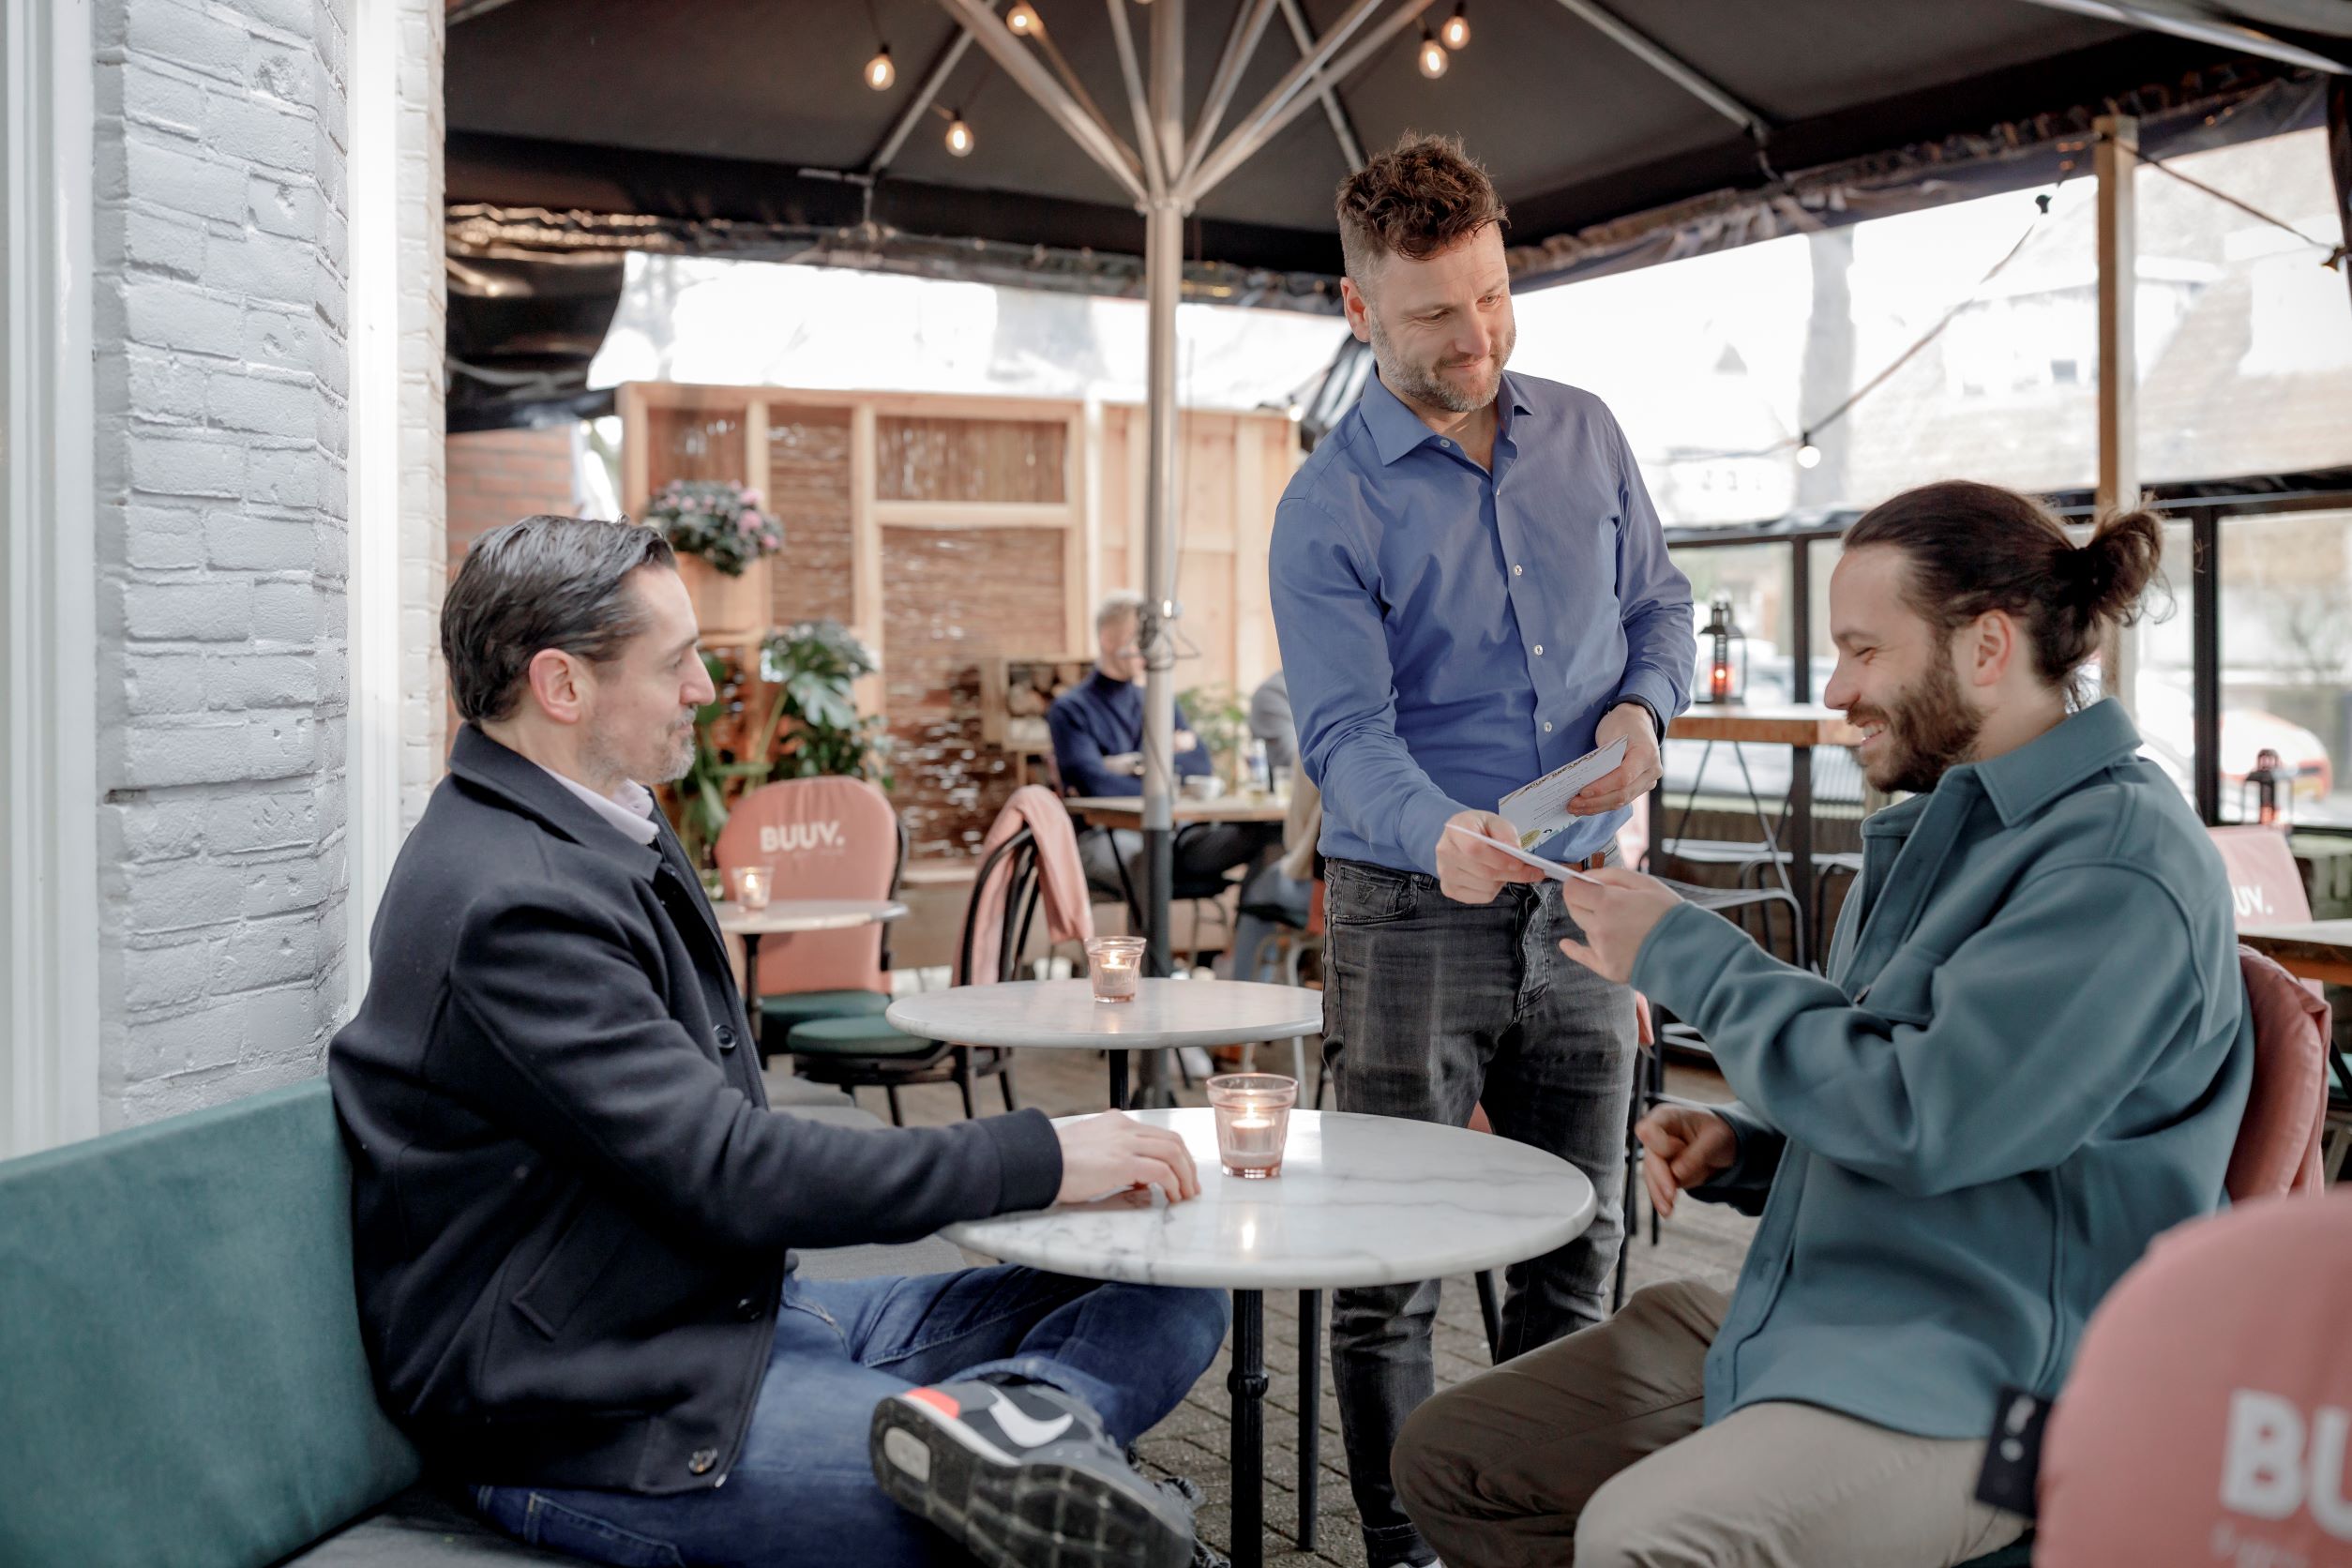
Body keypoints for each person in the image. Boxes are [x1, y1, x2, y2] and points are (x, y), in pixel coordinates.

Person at [330, 515, 1229, 1568]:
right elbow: (730, 1165)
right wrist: (1039, 1154)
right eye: (677, 663)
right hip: (596, 1407)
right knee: (950, 1530)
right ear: (562, 687)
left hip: (742, 1318)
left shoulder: (602, 816)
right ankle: (1019, 1453)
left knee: (1174, 1282)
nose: (706, 687)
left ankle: (1024, 1426)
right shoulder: (510, 901)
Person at [1393, 481, 2254, 1568]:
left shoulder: (2121, 865)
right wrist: (1750, 1144)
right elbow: (1898, 1067)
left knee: (1643, 1537)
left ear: (1987, 647)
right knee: (1450, 1458)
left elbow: (1925, 1116)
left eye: (1862, 650)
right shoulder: (1955, 822)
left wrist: (1684, 952)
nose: (1838, 689)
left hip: (1999, 1381)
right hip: (1836, 1313)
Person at [1267, 134, 1693, 1568]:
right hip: (1410, 908)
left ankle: (1536, 1531)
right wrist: (1436, 831)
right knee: (1389, 1270)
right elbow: (1344, 737)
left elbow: (1662, 610)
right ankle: (1403, 1547)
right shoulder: (1327, 507)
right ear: (1357, 310)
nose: (1479, 340)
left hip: (1585, 903)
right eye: (1436, 315)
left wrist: (1647, 703)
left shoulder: (1587, 430)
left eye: (1496, 299)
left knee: (1577, 1248)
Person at [1049, 589, 1279, 906]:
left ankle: (1240, 953)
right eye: (1138, 637)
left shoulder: (1157, 699)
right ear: (1107, 638)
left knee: (1268, 833)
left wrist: (1128, 764)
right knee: (1148, 865)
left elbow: (1200, 766)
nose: (1148, 648)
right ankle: (1148, 957)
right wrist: (1162, 760)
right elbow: (1095, 784)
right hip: (1106, 838)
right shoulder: (1070, 709)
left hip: (1175, 837)